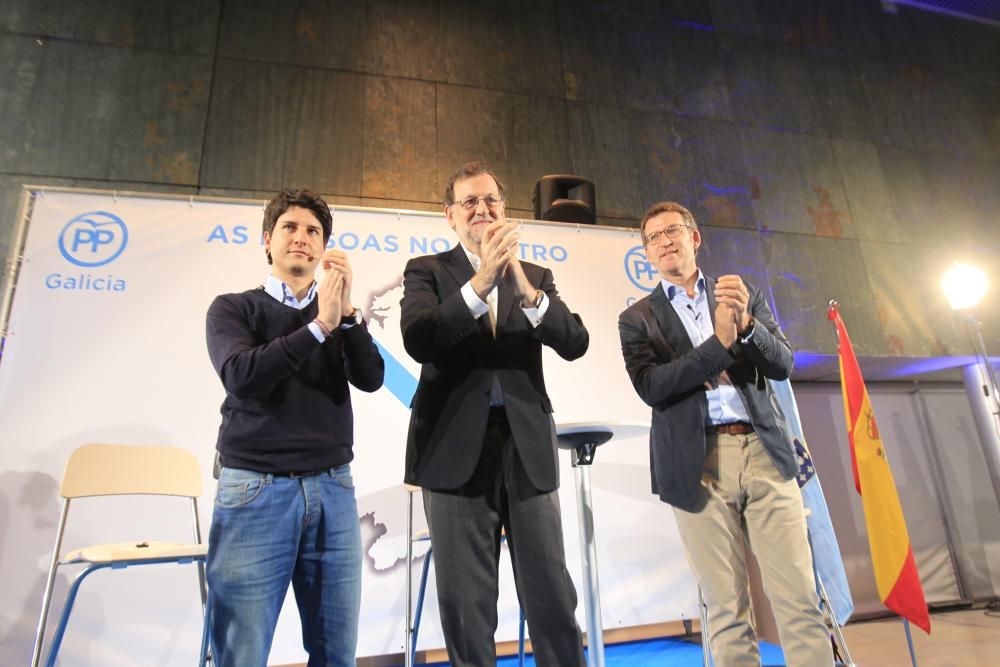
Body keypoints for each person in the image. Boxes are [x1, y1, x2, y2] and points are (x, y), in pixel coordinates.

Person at [618, 202, 834, 667]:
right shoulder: (637, 318)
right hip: (697, 465)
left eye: (673, 231)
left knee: (798, 599)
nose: (665, 241)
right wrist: (720, 345)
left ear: (695, 239)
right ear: (647, 254)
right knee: (726, 609)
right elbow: (653, 387)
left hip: (764, 452)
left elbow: (783, 363)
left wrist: (748, 326)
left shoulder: (739, 293)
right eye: (654, 238)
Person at [400, 161, 589, 666]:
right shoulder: (428, 271)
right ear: (450, 216)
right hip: (453, 453)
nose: (482, 210)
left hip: (527, 449)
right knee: (467, 607)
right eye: (470, 202)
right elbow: (420, 339)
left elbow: (575, 343)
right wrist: (480, 282)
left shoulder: (538, 276)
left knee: (552, 597)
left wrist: (526, 290)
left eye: (491, 201)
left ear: (505, 211)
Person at [205, 188, 384, 667]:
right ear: (268, 241)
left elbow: (371, 379)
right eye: (290, 227)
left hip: (332, 491)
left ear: (324, 248)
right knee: (241, 651)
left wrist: (345, 316)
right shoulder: (233, 309)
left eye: (313, 232)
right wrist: (319, 327)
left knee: (336, 652)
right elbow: (242, 375)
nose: (302, 238)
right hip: (255, 492)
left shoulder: (337, 315)